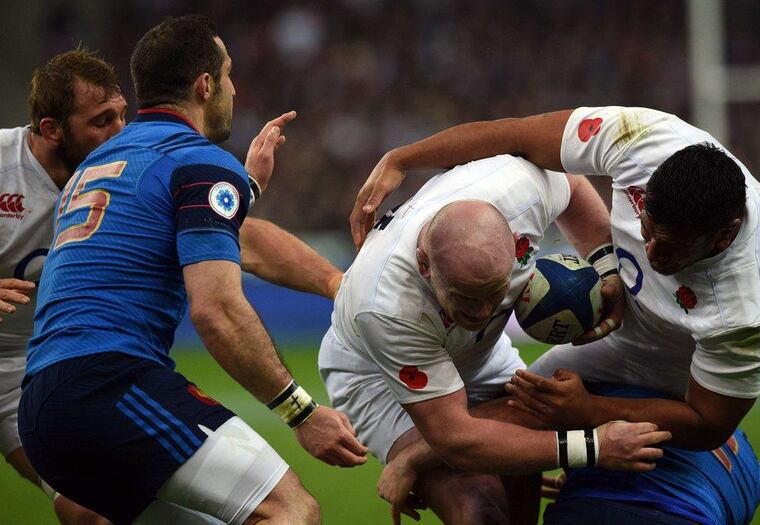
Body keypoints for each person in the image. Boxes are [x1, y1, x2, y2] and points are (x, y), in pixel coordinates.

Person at [18, 15, 365, 525]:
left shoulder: (97, 164)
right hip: (109, 384)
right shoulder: (200, 163)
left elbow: (179, 219)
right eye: (226, 74)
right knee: (290, 512)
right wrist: (302, 414)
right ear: (205, 85)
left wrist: (245, 190)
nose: (232, 87)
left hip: (41, 408)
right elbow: (217, 310)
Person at [350, 106, 760, 453]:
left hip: (673, 359)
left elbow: (710, 423)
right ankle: (422, 458)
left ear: (724, 237)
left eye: (671, 249)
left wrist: (592, 410)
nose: (651, 253)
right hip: (616, 323)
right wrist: (402, 158)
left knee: (532, 414)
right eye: (646, 228)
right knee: (520, 401)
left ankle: (413, 458)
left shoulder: (748, 308)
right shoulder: (643, 138)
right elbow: (517, 135)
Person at [320, 152, 671, 524]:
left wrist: (607, 267)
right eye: (467, 298)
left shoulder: (519, 190)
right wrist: (593, 447)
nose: (485, 312)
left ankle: (417, 456)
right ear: (424, 265)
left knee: (521, 489)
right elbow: (458, 440)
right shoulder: (386, 305)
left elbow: (571, 185)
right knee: (479, 506)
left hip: (482, 353)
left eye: (495, 292)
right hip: (378, 373)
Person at [1, 48, 127, 525]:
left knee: (92, 511)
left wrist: (331, 281)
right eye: (101, 121)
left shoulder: (120, 173)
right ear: (51, 130)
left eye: (121, 116)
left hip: (21, 373)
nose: (119, 133)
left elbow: (240, 241)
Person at [538, 383, 760, 525]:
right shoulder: (748, 460)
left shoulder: (606, 387)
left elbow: (511, 427)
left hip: (605, 508)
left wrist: (585, 455)